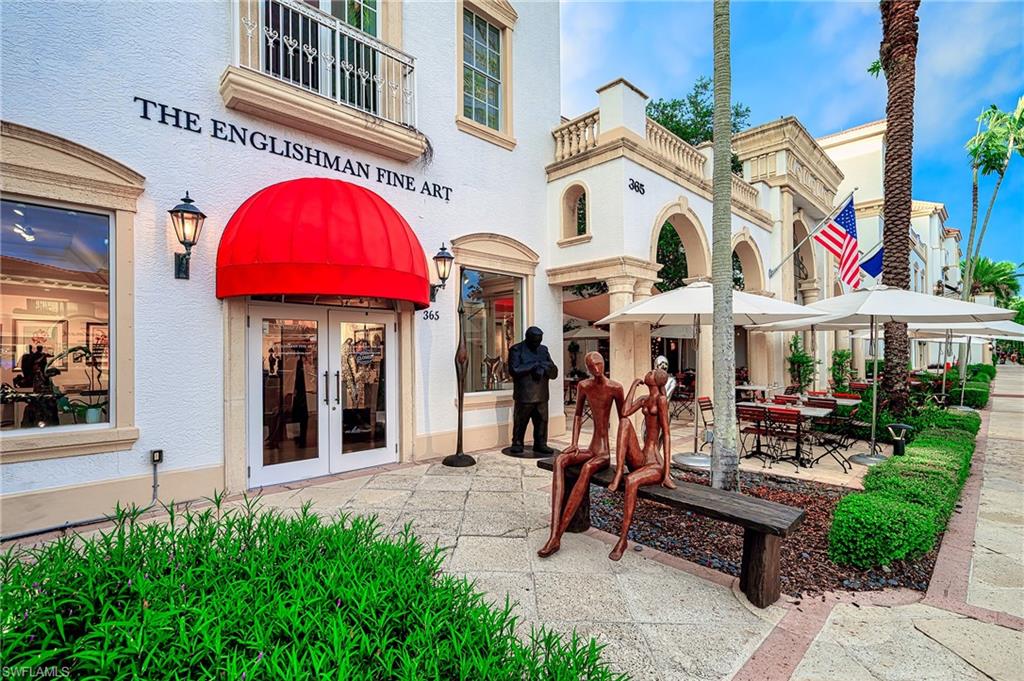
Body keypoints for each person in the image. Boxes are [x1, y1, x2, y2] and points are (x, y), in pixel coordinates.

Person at [538, 352, 623, 558]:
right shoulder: (584, 386)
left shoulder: (615, 388)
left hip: (603, 452)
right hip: (590, 447)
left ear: (604, 363)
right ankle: (554, 531)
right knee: (561, 460)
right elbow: (576, 415)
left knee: (586, 469)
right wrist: (574, 443)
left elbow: (624, 423)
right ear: (587, 368)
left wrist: (622, 462)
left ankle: (557, 537)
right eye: (591, 366)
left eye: (599, 364)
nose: (596, 369)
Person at [608, 369, 676, 561]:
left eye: (653, 371)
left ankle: (622, 540)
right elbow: (624, 411)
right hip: (640, 458)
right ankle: (619, 470)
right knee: (624, 423)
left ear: (657, 380)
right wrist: (632, 388)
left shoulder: (661, 401)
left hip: (654, 462)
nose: (650, 371)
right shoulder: (644, 399)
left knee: (631, 481)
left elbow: (668, 435)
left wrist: (667, 473)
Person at [507, 326, 559, 455]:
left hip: (541, 393)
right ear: (528, 338)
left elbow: (553, 371)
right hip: (524, 394)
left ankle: (540, 443)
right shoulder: (516, 349)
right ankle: (517, 443)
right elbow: (514, 370)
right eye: (535, 341)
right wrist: (535, 365)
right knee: (521, 421)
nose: (537, 344)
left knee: (542, 420)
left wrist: (545, 367)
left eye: (539, 341)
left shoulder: (543, 350)